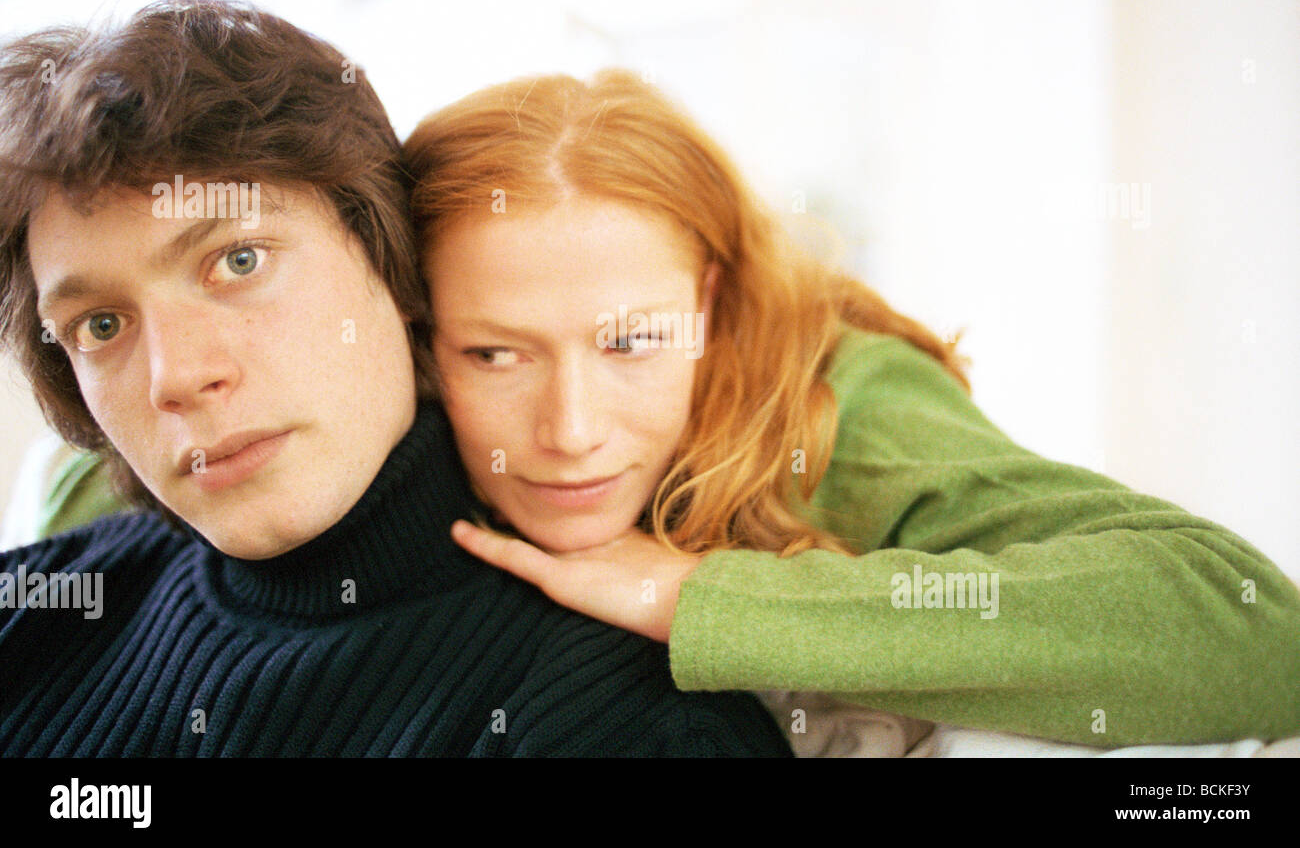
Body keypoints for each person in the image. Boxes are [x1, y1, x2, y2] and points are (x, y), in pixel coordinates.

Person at [399, 70, 1300, 748]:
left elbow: (1258, 634)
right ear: (423, 340)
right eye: (496, 354)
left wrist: (693, 596)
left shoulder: (835, 405)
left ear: (708, 303)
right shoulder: (398, 425)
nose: (571, 430)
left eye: (632, 342)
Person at [0, 0, 792, 757]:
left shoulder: (621, 724)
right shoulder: (36, 601)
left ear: (390, 257)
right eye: (100, 325)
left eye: (239, 261)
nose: (178, 376)